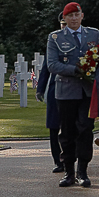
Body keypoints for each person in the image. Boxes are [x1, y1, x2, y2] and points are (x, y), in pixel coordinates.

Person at [46, 1, 99, 188]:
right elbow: (52, 64)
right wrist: (76, 70)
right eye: (70, 16)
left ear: (82, 16)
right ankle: (68, 171)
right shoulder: (55, 37)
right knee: (67, 132)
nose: (74, 18)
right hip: (66, 90)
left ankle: (82, 171)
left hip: (87, 90)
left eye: (77, 15)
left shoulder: (93, 34)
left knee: (85, 129)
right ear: (65, 18)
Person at [35, 13, 64, 173]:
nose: (64, 27)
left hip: (74, 89)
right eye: (62, 24)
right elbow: (46, 67)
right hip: (55, 88)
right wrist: (40, 89)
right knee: (54, 126)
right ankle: (58, 160)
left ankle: (71, 158)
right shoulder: (54, 40)